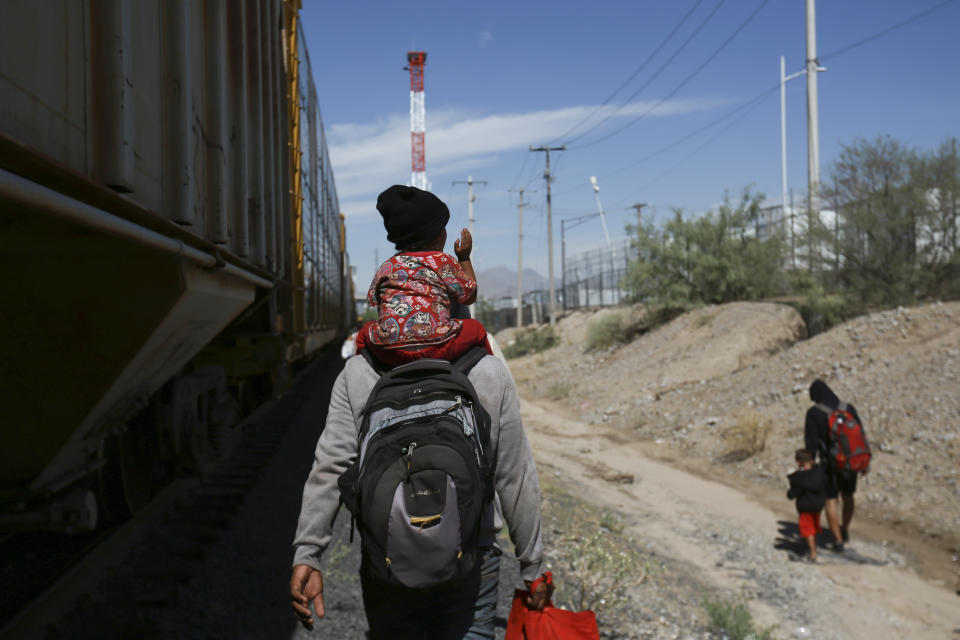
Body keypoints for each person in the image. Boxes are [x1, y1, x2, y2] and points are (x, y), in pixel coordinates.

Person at [289, 341, 551, 637]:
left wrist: (309, 553)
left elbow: (330, 465)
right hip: (473, 550)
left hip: (388, 553)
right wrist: (533, 566)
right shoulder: (487, 366)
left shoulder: (358, 370)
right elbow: (514, 475)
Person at [354, 185, 491, 366]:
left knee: (364, 334)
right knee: (477, 329)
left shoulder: (387, 267)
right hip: (439, 346)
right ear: (437, 235)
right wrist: (464, 258)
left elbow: (374, 300)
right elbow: (469, 296)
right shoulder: (441, 261)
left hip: (390, 352)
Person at [804, 379, 868, 551]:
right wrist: (864, 462)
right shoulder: (848, 408)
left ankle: (838, 542)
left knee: (831, 501)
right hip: (850, 462)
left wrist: (808, 467)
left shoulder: (814, 413)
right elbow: (860, 435)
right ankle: (845, 529)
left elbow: (811, 446)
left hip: (829, 465)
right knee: (848, 497)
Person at [787, 449, 826, 563]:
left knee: (807, 530)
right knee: (814, 527)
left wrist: (793, 476)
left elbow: (792, 494)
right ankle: (812, 548)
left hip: (805, 507)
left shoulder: (800, 477)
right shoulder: (819, 472)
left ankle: (812, 554)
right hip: (818, 505)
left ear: (799, 462)